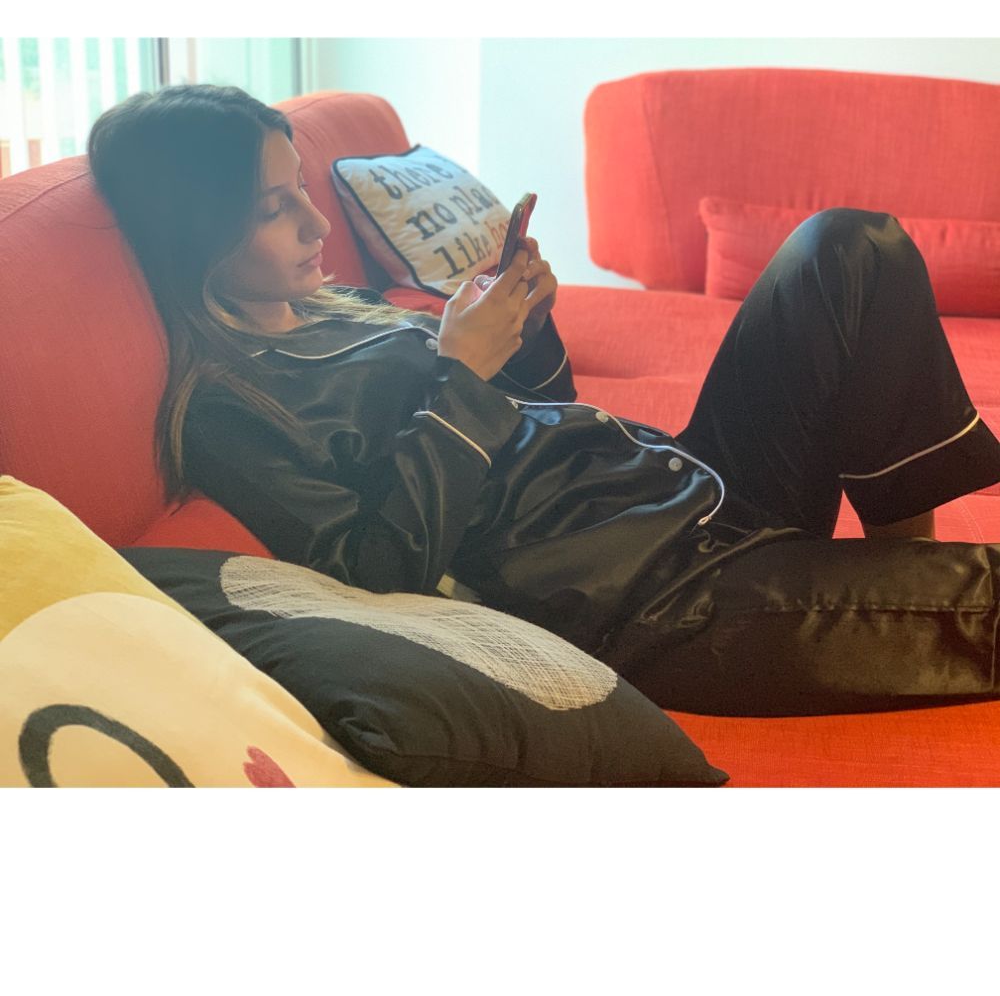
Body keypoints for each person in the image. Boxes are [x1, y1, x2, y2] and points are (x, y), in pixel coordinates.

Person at [88, 84, 1000, 717]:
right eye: (272, 209)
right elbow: (372, 575)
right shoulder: (231, 411)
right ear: (193, 230)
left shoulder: (343, 306)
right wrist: (460, 374)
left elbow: (539, 414)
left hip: (687, 485)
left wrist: (520, 329)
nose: (316, 222)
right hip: (654, 600)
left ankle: (897, 564)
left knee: (849, 247)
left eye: (301, 189)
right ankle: (883, 594)